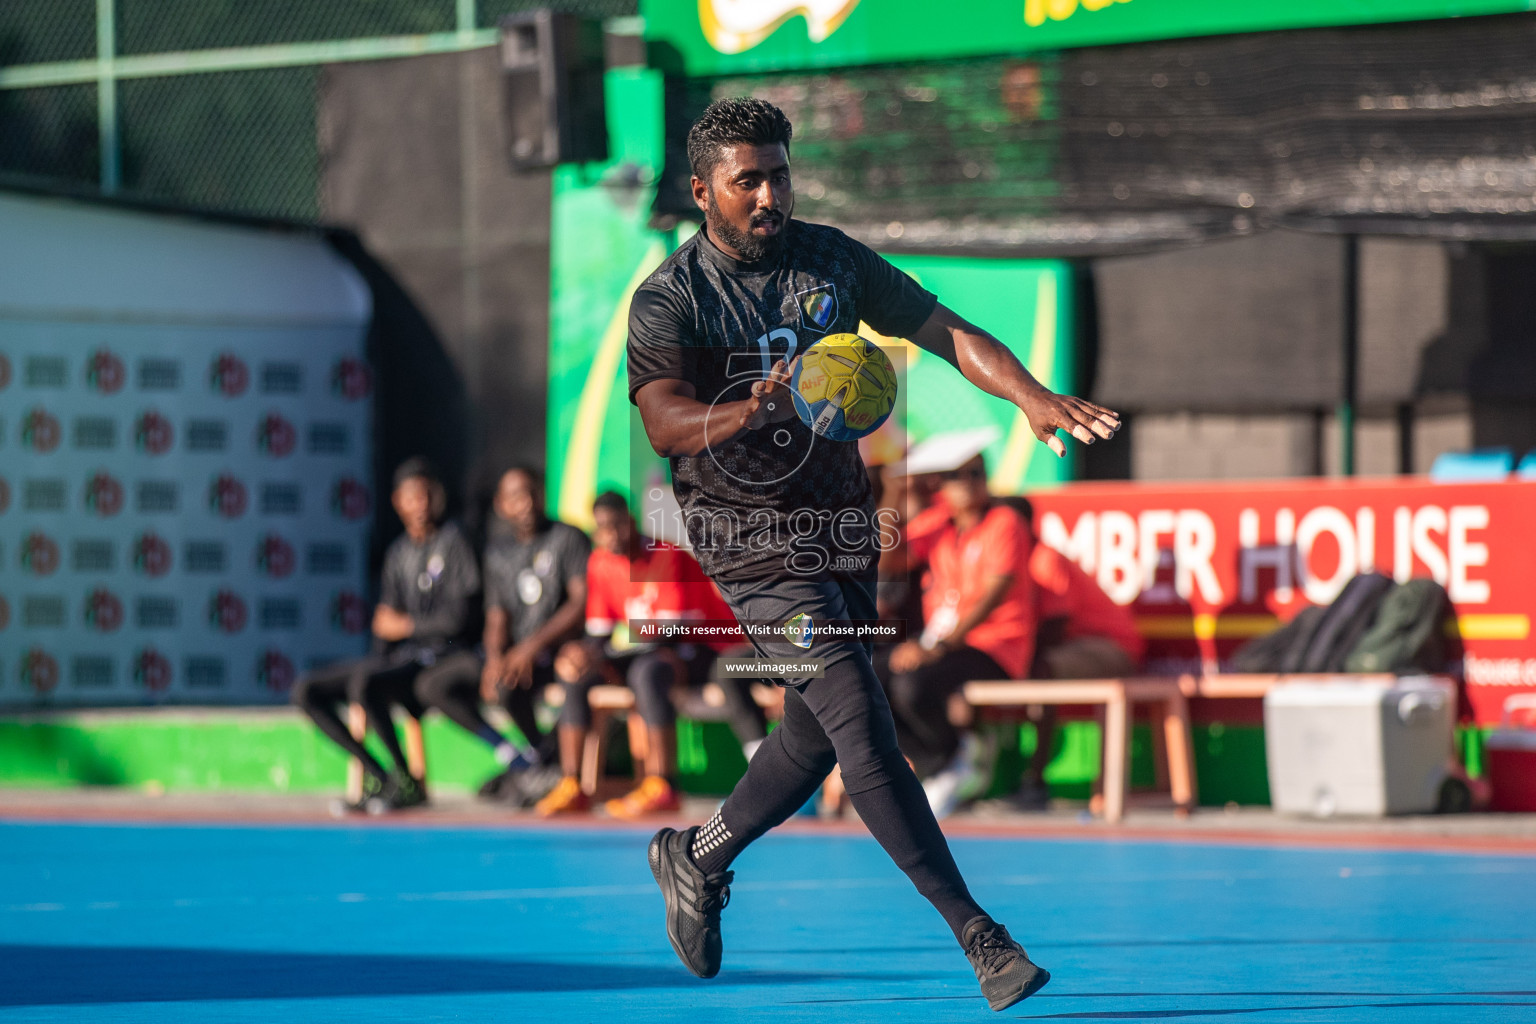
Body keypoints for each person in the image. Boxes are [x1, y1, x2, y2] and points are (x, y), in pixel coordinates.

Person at [626, 97, 1118, 1011]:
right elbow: (663, 419)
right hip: (746, 540)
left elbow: (944, 329)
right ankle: (981, 937)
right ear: (703, 193)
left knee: (815, 736)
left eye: (779, 174)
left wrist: (1030, 393)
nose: (770, 194)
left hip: (842, 526)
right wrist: (748, 411)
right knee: (859, 713)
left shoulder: (832, 260)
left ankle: (697, 855)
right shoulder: (673, 297)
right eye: (748, 182)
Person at [535, 491, 743, 819]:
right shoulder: (600, 563)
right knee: (575, 672)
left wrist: (609, 654)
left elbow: (672, 631)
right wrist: (583, 653)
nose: (611, 535)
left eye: (617, 525)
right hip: (650, 650)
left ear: (631, 522)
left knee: (647, 671)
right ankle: (572, 785)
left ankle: (663, 786)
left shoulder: (666, 556)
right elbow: (600, 632)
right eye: (602, 528)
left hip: (703, 646)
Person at [291, 458, 479, 813]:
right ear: (398, 502)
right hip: (400, 659)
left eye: (425, 497)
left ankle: (407, 781)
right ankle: (381, 775)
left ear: (436, 498)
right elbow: (383, 625)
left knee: (366, 683)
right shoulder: (398, 553)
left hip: (440, 658)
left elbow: (458, 622)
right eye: (411, 498)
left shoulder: (455, 542)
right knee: (307, 690)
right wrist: (389, 640)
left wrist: (406, 626)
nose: (419, 506)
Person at [412, 466, 589, 804]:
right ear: (500, 505)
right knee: (434, 685)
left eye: (530, 492)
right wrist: (495, 658)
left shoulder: (568, 537)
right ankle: (522, 755)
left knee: (560, 676)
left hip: (559, 651)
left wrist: (530, 647)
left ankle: (554, 766)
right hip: (518, 654)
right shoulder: (497, 552)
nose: (524, 503)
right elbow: (496, 617)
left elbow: (580, 604)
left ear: (541, 494)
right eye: (514, 496)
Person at [885, 436, 1040, 817]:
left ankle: (951, 760)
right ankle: (947, 760)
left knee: (911, 684)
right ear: (940, 483)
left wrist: (939, 644)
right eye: (958, 474)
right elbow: (886, 560)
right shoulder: (937, 524)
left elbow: (996, 593)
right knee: (865, 680)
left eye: (977, 472)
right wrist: (894, 491)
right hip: (944, 645)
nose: (970, 481)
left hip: (994, 647)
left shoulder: (1005, 522)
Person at [1003, 495, 1145, 807]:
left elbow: (1055, 626)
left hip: (1111, 646)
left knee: (1041, 669)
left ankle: (1035, 783)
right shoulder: (1001, 561)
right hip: (1072, 647)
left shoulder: (1043, 558)